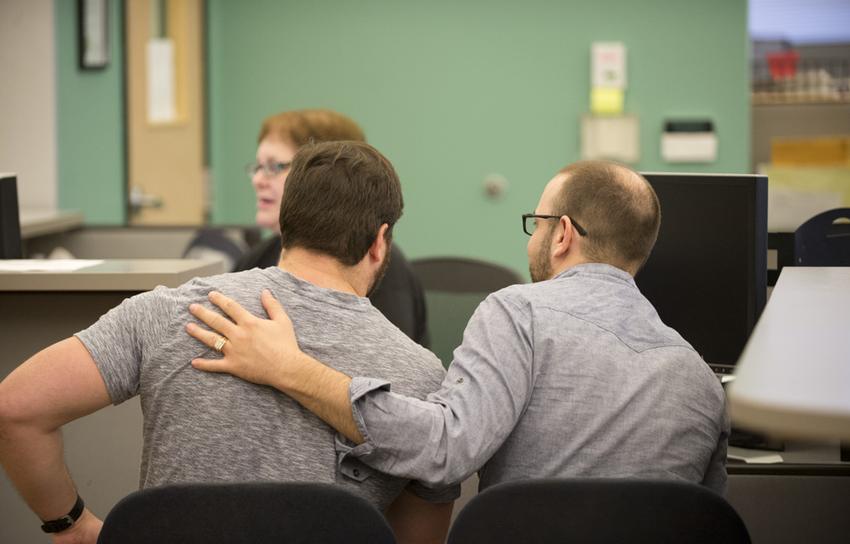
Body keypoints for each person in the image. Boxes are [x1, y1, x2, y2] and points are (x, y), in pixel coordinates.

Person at [0, 141, 457, 544]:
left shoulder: (173, 312)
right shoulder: (419, 376)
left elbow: (14, 410)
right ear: (380, 241)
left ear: (285, 222)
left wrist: (71, 525)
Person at [187, 159, 730, 496]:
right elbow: (701, 533)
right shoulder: (702, 381)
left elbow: (445, 450)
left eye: (536, 224)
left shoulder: (521, 314)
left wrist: (292, 369)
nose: (531, 239)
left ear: (562, 235)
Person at [236, 108, 429, 346]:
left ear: (326, 174)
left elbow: (390, 373)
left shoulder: (375, 265)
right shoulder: (252, 261)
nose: (258, 179)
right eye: (258, 167)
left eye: (274, 167)